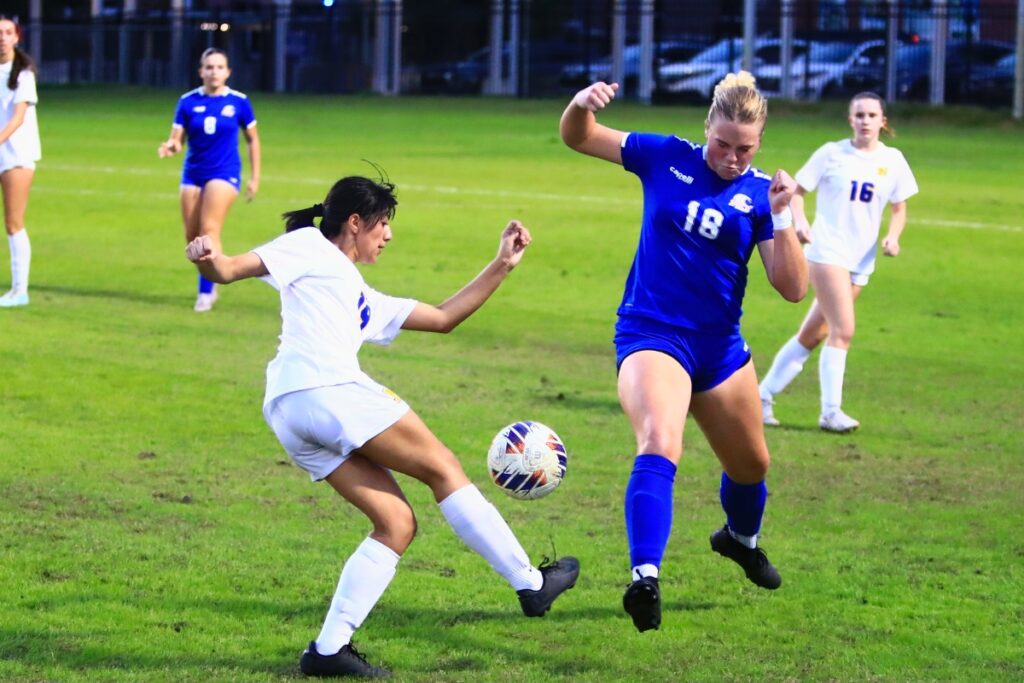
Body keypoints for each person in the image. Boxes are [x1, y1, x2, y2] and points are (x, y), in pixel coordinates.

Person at [185, 175, 580, 678]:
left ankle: (328, 650)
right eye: (382, 223)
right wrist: (205, 258)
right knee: (443, 467)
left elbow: (443, 317)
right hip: (327, 390)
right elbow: (227, 268)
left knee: (396, 523)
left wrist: (502, 263)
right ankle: (530, 583)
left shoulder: (360, 296)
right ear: (354, 222)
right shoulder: (308, 245)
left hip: (289, 410)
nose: (388, 235)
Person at [559, 73, 807, 633]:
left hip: (719, 348)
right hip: (652, 334)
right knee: (660, 441)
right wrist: (580, 104)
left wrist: (784, 214)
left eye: (745, 149)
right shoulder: (664, 156)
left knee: (752, 467)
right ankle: (644, 577)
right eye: (723, 144)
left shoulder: (763, 194)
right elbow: (579, 136)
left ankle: (740, 540)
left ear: (760, 143)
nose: (732, 158)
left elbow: (792, 288)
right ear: (706, 129)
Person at [758, 92, 918, 433]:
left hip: (861, 259)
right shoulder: (832, 153)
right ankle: (831, 412)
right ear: (850, 120)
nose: (865, 120)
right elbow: (797, 192)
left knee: (813, 334)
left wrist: (893, 237)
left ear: (883, 121)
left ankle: (761, 396)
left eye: (871, 115)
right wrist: (801, 222)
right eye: (859, 114)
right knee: (843, 331)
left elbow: (899, 207)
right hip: (827, 251)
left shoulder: (893, 160)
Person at [160, 47, 260, 312]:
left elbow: (252, 140)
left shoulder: (239, 102)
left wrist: (255, 177)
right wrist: (170, 146)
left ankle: (206, 291)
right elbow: (177, 139)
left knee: (209, 230)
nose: (214, 72)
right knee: (191, 236)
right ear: (201, 71)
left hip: (224, 172)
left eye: (219, 67)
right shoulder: (187, 102)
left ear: (228, 72)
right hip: (193, 173)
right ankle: (210, 280)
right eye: (209, 67)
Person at [0, 15, 40, 308]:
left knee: (13, 222)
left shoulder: (23, 74)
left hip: (16, 155)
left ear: (16, 37)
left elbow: (18, 117)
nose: (2, 38)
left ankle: (19, 290)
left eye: (7, 33)